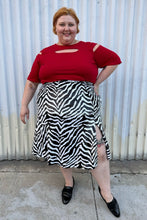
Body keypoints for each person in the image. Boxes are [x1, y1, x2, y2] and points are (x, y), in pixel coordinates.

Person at [20, 7, 122, 218]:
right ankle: (69, 183)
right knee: (60, 149)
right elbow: (32, 82)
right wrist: (24, 105)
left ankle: (106, 192)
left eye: (70, 24)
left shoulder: (90, 49)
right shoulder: (44, 53)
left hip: (84, 109)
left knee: (98, 149)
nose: (66, 29)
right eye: (62, 24)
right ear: (55, 28)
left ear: (77, 28)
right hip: (52, 111)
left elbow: (114, 60)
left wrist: (95, 82)